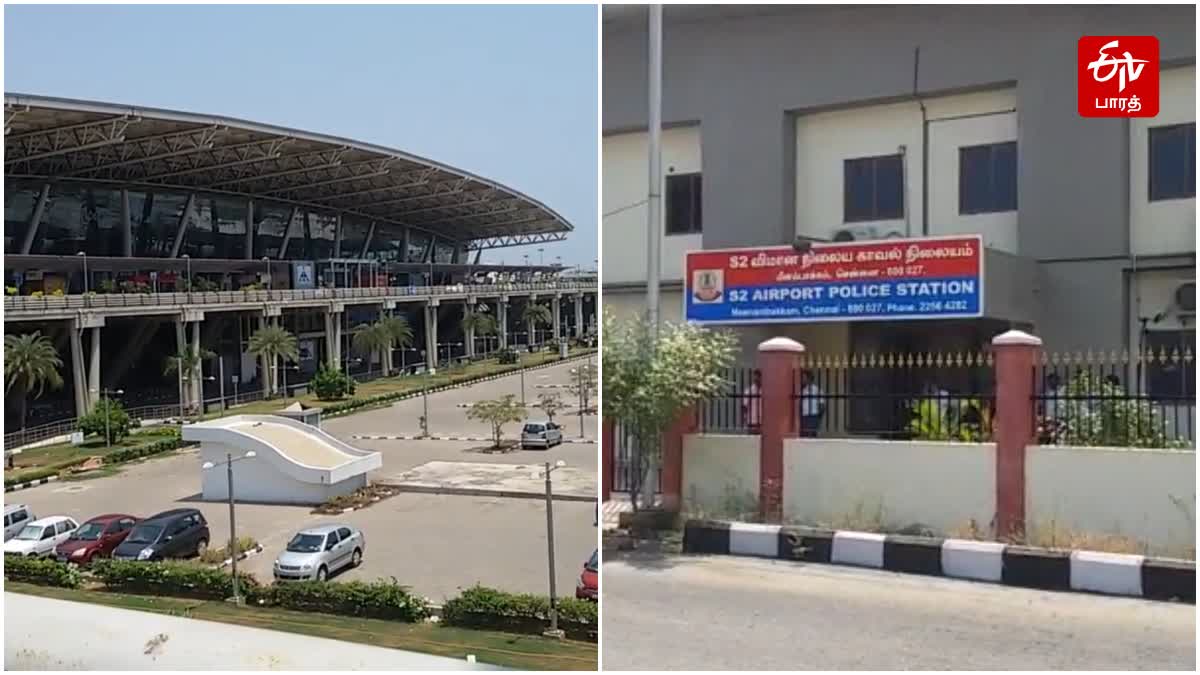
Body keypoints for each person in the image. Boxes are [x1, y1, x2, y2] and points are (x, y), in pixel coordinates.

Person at [799, 372, 825, 437]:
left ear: (809, 379)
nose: (802, 379)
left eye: (804, 378)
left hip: (813, 416)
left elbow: (822, 406)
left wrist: (818, 418)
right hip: (803, 416)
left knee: (811, 435)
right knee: (804, 435)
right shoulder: (802, 391)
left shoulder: (817, 390)